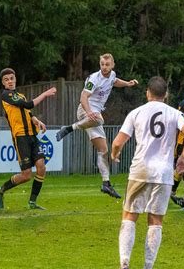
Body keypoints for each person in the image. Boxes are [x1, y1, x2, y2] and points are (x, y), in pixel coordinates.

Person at [108, 76, 184, 269]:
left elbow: (118, 141)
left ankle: (124, 266)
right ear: (165, 95)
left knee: (129, 216)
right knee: (155, 221)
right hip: (164, 173)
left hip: (140, 170)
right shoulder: (175, 113)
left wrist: (114, 154)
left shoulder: (136, 112)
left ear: (147, 93)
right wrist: (183, 157)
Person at [55, 53, 138, 199]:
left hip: (95, 114)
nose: (104, 67)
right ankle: (69, 128)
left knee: (103, 150)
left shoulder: (112, 75)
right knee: (99, 119)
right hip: (85, 110)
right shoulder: (94, 78)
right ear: (100, 65)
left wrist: (127, 83)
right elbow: (83, 97)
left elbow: (115, 81)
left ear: (112, 65)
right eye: (102, 64)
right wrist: (89, 112)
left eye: (107, 65)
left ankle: (106, 184)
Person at [0, 68, 56, 210]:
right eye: (6, 79)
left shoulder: (20, 95)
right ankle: (0, 190)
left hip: (32, 135)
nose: (9, 81)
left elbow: (28, 112)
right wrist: (45, 94)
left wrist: (36, 121)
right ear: (3, 83)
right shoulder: (6, 95)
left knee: (41, 167)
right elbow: (28, 105)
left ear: (15, 79)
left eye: (11, 78)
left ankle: (32, 202)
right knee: (26, 175)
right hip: (20, 137)